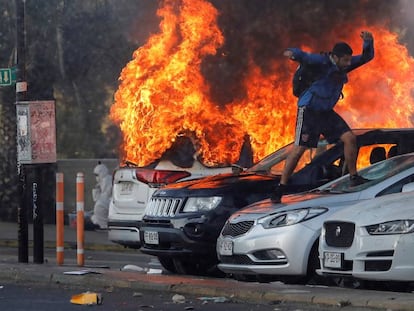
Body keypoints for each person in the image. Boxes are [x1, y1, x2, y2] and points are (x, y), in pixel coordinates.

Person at [271, 31, 374, 203]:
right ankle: (280, 188)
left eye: (349, 59)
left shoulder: (344, 64)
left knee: (350, 138)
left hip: (326, 112)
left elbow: (366, 57)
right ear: (335, 57)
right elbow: (304, 56)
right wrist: (292, 53)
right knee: (299, 150)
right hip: (310, 110)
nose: (349, 63)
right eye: (346, 60)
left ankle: (353, 177)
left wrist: (368, 42)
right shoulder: (322, 62)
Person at [91, 162, 112, 229]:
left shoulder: (107, 180)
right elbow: (96, 199)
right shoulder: (101, 182)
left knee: (99, 206)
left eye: (97, 175)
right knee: (94, 218)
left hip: (110, 204)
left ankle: (104, 226)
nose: (96, 177)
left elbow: (104, 197)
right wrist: (96, 189)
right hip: (108, 204)